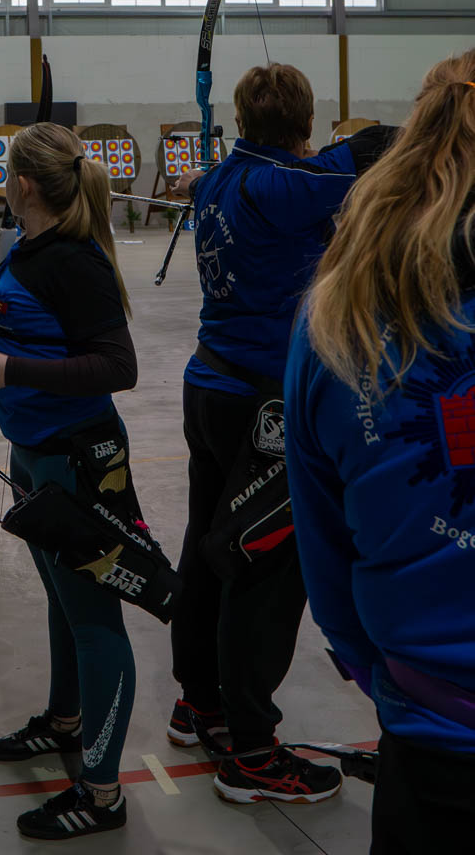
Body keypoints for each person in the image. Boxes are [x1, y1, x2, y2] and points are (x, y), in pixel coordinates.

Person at [286, 51, 475, 855]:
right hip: (430, 728)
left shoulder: (338, 317)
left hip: (428, 742)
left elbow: (325, 557)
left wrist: (387, 677)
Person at [167, 63, 394, 802]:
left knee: (209, 546)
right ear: (305, 123)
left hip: (208, 385)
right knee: (262, 567)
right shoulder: (288, 184)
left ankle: (199, 704)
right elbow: (381, 145)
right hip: (259, 407)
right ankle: (252, 753)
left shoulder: (220, 179)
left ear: (239, 120)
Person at [0, 122, 139, 841]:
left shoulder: (73, 260)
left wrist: (12, 369)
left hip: (77, 460)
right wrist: (0, 352)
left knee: (94, 620)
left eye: (6, 172)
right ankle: (67, 721)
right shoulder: (31, 245)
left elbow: (117, 366)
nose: (2, 182)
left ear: (25, 184)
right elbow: (36, 335)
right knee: (64, 603)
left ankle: (102, 792)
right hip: (35, 451)